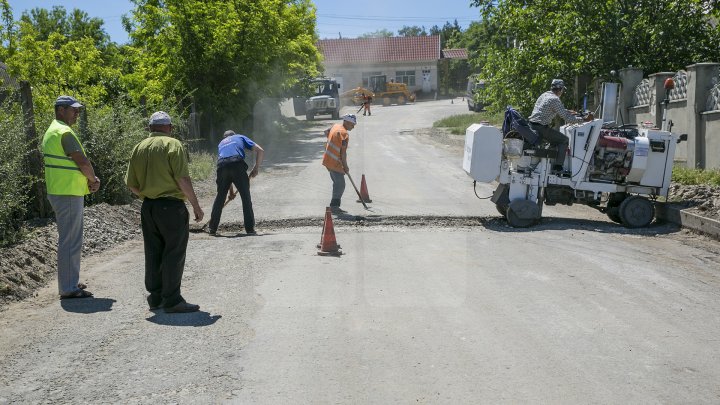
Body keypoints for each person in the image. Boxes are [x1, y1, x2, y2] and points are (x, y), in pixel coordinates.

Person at [125, 111, 204, 313]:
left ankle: (156, 297)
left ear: (150, 128)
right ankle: (172, 300)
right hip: (171, 207)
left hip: (149, 207)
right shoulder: (173, 145)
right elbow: (182, 179)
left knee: (153, 251)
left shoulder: (139, 147)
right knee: (174, 251)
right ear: (169, 127)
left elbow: (131, 184)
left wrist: (148, 195)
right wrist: (195, 205)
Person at [42, 95, 100, 299]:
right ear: (60, 110)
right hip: (67, 192)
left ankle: (70, 281)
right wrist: (93, 180)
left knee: (70, 238)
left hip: (61, 190)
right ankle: (68, 287)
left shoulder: (53, 130)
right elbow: (82, 162)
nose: (77, 113)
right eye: (73, 109)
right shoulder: (64, 132)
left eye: (78, 110)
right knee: (70, 240)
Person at [207, 130, 264, 236]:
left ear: (225, 137)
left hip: (222, 166)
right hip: (237, 164)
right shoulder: (240, 137)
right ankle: (250, 229)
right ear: (234, 135)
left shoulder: (221, 143)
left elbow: (228, 167)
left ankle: (212, 228)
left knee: (220, 197)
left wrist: (231, 192)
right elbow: (260, 150)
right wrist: (256, 168)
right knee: (245, 197)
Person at [528, 79, 590, 171]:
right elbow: (567, 119)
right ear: (560, 89)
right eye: (562, 90)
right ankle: (558, 167)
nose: (562, 92)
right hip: (541, 128)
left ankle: (549, 162)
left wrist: (571, 112)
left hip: (532, 125)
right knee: (564, 140)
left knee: (555, 140)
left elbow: (557, 109)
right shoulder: (555, 99)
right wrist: (584, 119)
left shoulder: (545, 95)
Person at [322, 114, 357, 213]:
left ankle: (334, 206)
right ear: (346, 122)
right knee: (340, 184)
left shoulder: (336, 126)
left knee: (337, 183)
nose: (353, 127)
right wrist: (345, 166)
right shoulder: (344, 134)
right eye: (352, 124)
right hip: (334, 162)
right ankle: (334, 207)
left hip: (328, 160)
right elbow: (343, 153)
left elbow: (326, 132)